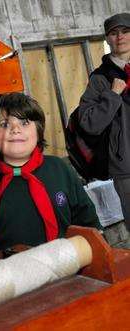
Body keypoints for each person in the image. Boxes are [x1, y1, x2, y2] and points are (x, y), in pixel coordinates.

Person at [0, 92, 101, 255]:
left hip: (67, 267)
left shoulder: (59, 168)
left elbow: (87, 221)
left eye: (24, 122)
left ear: (38, 130)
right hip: (9, 275)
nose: (15, 130)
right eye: (4, 124)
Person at [78, 13, 130, 245]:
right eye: (114, 32)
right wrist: (112, 95)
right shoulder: (100, 79)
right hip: (127, 167)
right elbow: (89, 123)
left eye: (126, 31)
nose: (120, 37)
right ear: (107, 39)